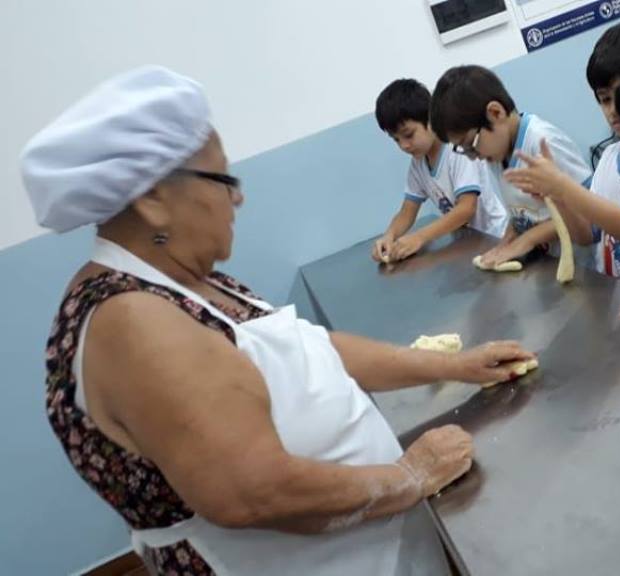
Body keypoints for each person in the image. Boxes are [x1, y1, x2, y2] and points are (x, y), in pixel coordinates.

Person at [23, 66, 534, 576]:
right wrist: (408, 475)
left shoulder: (189, 282)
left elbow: (312, 351)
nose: (238, 197)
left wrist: (455, 366)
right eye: (224, 179)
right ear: (153, 199)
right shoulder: (128, 320)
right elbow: (256, 492)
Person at [504, 21, 620, 284]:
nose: (612, 109)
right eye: (604, 99)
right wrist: (556, 197)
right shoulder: (609, 158)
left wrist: (562, 186)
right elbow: (586, 235)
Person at [429, 65, 592, 268]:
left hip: (584, 265)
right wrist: (508, 240)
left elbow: (588, 216)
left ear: (496, 113)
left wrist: (529, 239)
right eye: (464, 150)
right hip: (548, 264)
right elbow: (523, 213)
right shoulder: (496, 153)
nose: (473, 157)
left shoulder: (544, 143)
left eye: (471, 144)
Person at [371, 79, 507, 263]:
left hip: (495, 238)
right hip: (467, 246)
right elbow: (406, 212)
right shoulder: (418, 165)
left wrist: (419, 237)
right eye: (396, 140)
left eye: (408, 135)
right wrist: (389, 236)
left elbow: (467, 208)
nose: (404, 145)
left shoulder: (457, 150)